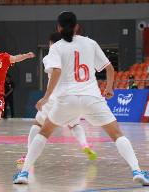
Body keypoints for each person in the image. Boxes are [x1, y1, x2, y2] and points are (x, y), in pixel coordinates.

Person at [13, 12, 149, 186]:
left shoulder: (56, 47)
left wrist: (45, 97)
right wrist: (109, 89)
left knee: (43, 132)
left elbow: (55, 72)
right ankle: (137, 171)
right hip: (91, 98)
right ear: (76, 26)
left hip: (67, 100)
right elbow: (109, 69)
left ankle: (24, 173)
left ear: (59, 27)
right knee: (117, 134)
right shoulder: (90, 43)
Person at [16, 32, 97, 167]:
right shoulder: (73, 57)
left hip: (55, 98)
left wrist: (45, 97)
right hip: (74, 97)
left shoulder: (50, 57)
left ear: (52, 44)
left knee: (37, 124)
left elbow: (54, 72)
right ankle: (85, 145)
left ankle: (29, 155)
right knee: (74, 124)